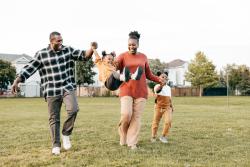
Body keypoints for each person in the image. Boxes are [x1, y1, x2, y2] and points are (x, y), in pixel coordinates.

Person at [11, 31, 97, 155]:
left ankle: (66, 133)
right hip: (51, 90)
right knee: (54, 118)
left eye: (62, 40)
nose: (61, 43)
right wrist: (17, 81)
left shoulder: (67, 50)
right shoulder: (42, 54)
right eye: (58, 41)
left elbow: (84, 55)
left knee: (73, 109)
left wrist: (92, 48)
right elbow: (29, 69)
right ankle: (56, 145)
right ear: (51, 41)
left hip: (67, 86)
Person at [115, 31, 163, 149]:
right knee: (126, 114)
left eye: (134, 44)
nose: (131, 46)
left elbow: (148, 74)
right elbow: (113, 70)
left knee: (136, 118)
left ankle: (132, 143)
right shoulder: (122, 56)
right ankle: (123, 135)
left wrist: (159, 80)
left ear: (138, 45)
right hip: (126, 89)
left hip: (141, 91)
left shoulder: (143, 57)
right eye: (129, 44)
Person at [151, 71, 174, 143]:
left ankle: (163, 136)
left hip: (167, 107)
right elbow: (157, 91)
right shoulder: (157, 86)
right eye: (162, 77)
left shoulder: (169, 88)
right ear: (159, 78)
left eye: (166, 77)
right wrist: (162, 85)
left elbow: (169, 98)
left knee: (168, 121)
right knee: (155, 122)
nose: (164, 78)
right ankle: (153, 136)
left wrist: (171, 106)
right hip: (158, 107)